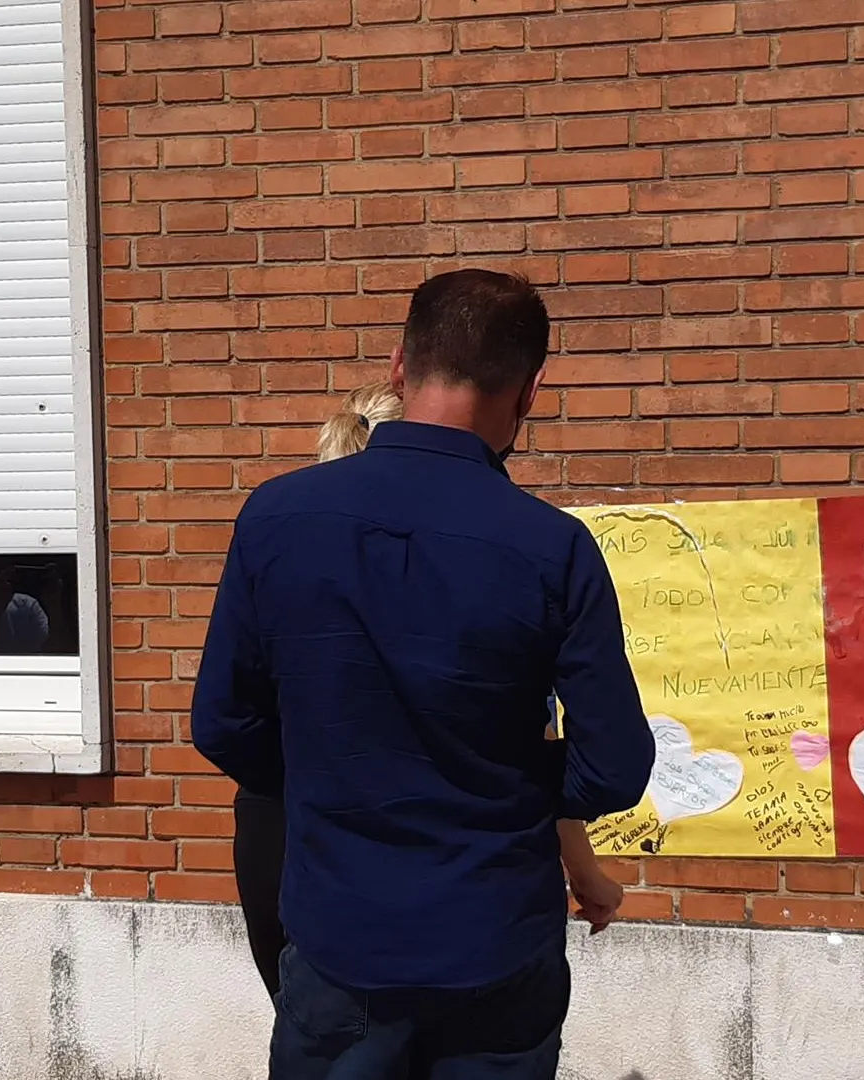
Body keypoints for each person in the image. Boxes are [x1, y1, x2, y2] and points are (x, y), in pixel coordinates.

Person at [193, 269, 655, 1079]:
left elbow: (223, 722)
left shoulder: (276, 517)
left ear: (402, 365)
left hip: (341, 935)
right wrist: (510, 783)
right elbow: (614, 767)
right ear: (532, 392)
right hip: (497, 940)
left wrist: (332, 775)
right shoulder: (554, 550)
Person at [229, 382, 630, 1002]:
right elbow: (591, 764)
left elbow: (227, 720)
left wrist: (321, 771)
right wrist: (574, 857)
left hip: (301, 862)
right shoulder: (524, 555)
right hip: (475, 914)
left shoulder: (282, 534)